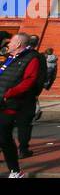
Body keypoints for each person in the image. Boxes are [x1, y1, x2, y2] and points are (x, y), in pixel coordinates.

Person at [0, 33, 45, 177]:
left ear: (18, 44)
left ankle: (15, 170)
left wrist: (8, 93)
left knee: (4, 136)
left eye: (11, 42)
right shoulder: (9, 58)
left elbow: (29, 81)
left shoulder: (32, 58)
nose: (8, 45)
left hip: (11, 104)